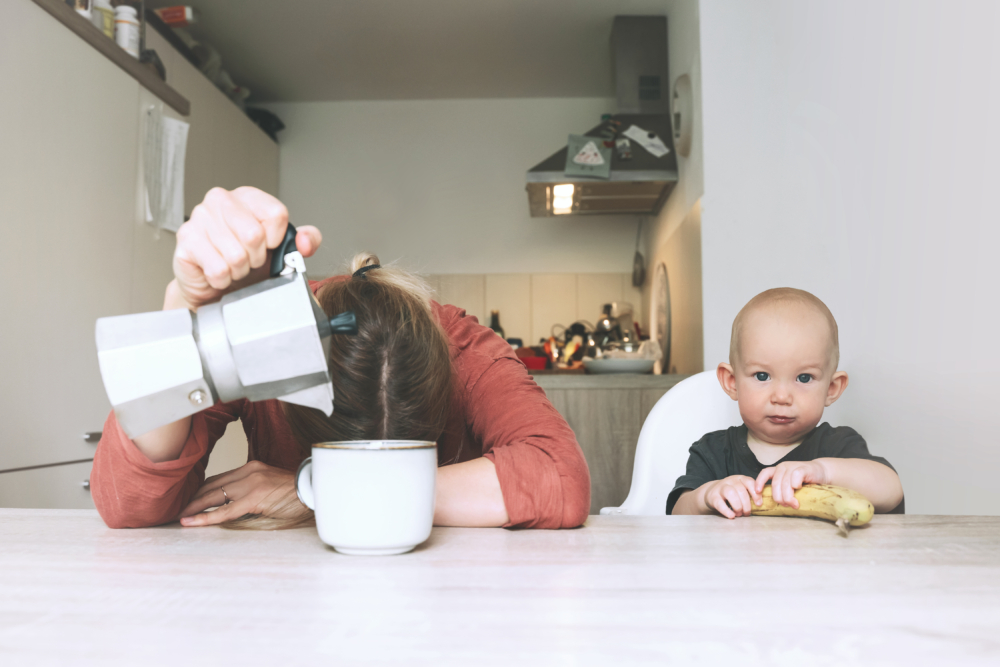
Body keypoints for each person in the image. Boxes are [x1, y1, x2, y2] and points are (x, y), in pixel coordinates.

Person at [91, 187, 590, 530]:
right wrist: (183, 310)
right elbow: (127, 502)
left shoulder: (464, 345)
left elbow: (560, 478)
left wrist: (317, 491)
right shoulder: (272, 346)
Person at [668, 288, 904, 517]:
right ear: (732, 382)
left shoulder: (838, 446)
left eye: (804, 378)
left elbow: (891, 490)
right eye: (762, 376)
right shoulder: (713, 451)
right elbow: (678, 515)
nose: (781, 397)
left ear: (831, 389)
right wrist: (705, 497)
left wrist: (824, 471)